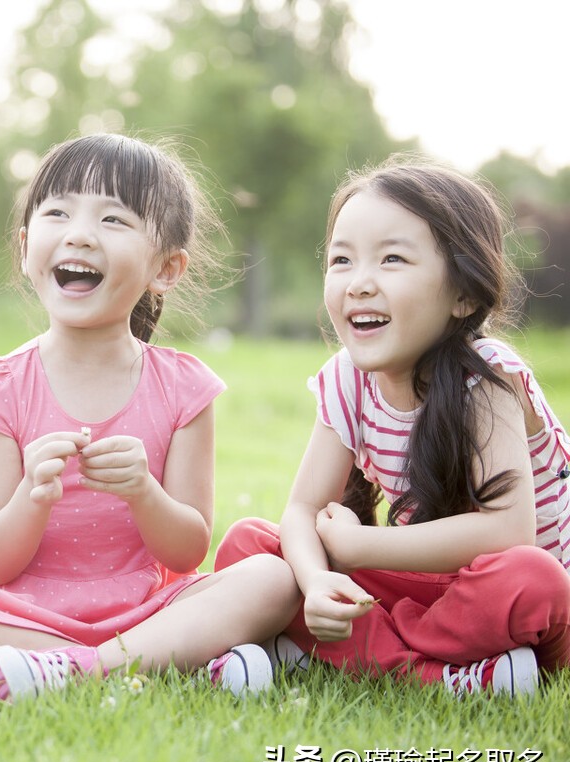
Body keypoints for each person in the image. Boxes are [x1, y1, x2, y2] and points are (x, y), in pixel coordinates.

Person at [0, 133, 301, 701]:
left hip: (147, 607)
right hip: (26, 612)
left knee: (274, 580)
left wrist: (144, 493)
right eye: (57, 212)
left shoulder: (184, 388)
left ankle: (79, 669)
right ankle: (167, 662)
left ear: (166, 268)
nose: (79, 233)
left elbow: (187, 553)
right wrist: (31, 498)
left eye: (113, 219)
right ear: (24, 247)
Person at [217, 157, 570, 697]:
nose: (359, 283)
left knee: (533, 578)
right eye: (341, 259)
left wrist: (359, 550)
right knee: (248, 549)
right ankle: (453, 676)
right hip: (429, 589)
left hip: (515, 599)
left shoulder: (487, 377)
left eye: (392, 259)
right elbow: (303, 511)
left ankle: (362, 655)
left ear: (463, 295)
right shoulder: (345, 380)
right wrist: (315, 585)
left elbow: (507, 534)